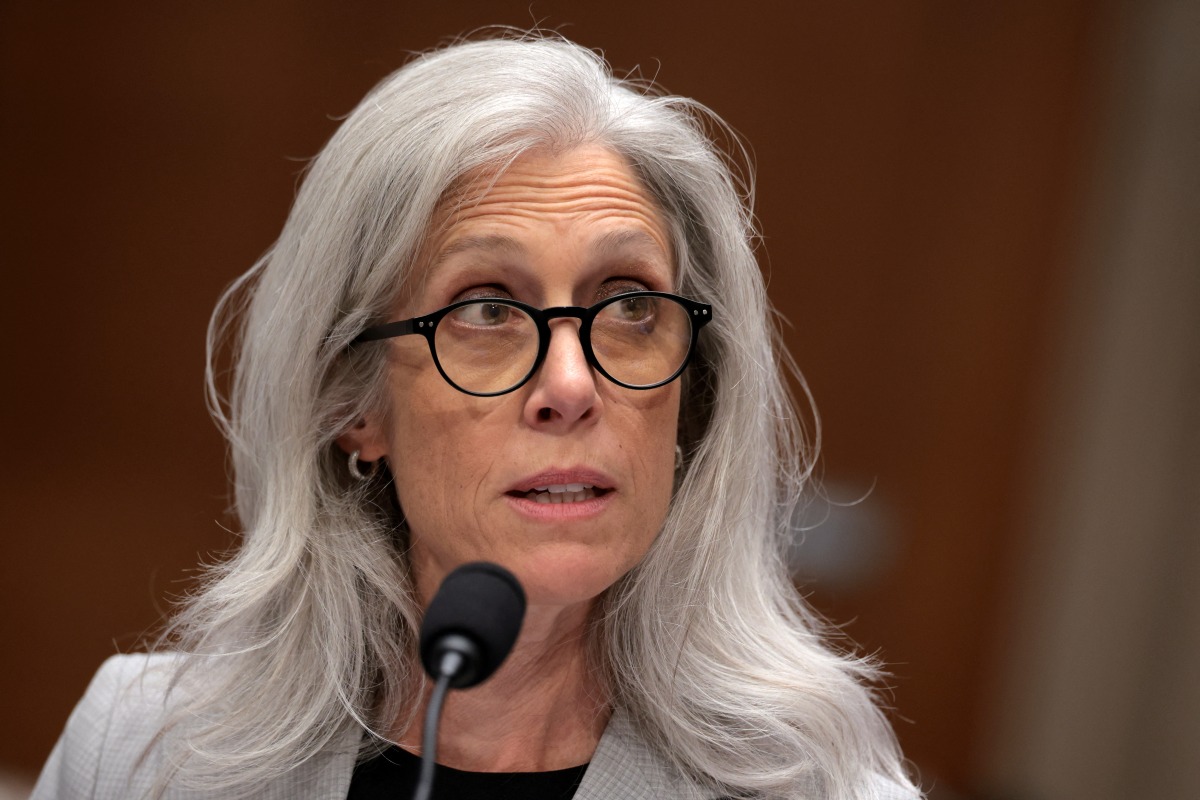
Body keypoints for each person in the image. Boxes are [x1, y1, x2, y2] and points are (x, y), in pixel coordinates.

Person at [33, 33, 920, 800]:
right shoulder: (142, 754)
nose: (571, 385)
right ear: (356, 406)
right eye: (488, 310)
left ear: (692, 402)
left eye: (630, 307)